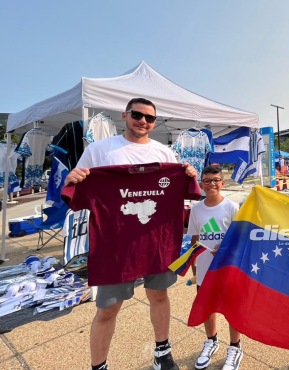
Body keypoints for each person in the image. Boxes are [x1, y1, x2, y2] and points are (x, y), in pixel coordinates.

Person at [64, 98, 198, 370]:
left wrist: (188, 175)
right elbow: (77, 190)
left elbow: (184, 194)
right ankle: (98, 366)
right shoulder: (101, 150)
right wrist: (72, 180)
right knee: (107, 309)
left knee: (159, 296)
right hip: (115, 246)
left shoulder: (165, 154)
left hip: (157, 243)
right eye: (137, 115)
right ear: (124, 116)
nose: (143, 121)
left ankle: (162, 352)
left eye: (150, 118)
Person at [187, 165, 243, 370]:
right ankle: (211, 341)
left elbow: (239, 238)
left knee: (232, 309)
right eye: (207, 181)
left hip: (227, 269)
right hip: (204, 269)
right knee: (207, 307)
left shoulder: (232, 207)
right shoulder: (195, 209)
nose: (211, 184)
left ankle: (235, 347)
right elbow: (195, 238)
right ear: (201, 184)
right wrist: (193, 267)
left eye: (215, 180)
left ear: (222, 183)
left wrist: (225, 247)